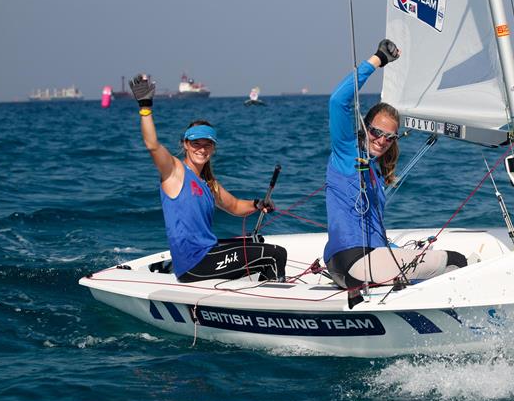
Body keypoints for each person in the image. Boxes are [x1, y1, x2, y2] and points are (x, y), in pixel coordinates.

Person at [324, 40, 467, 295]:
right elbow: (337, 101)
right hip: (354, 262)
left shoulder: (375, 172)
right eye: (376, 132)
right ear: (365, 127)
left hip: (349, 266)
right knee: (458, 261)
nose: (382, 140)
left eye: (390, 137)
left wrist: (399, 250)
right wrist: (378, 59)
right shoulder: (347, 152)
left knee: (422, 272)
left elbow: (372, 232)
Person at [129, 74, 287, 283]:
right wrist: (145, 107)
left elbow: (235, 206)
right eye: (196, 144)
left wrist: (258, 204)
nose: (201, 149)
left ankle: (260, 296)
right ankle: (270, 308)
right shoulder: (175, 172)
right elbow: (152, 144)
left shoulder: (208, 183)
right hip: (194, 264)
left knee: (257, 243)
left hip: (208, 254)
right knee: (275, 254)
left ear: (213, 148)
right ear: (185, 144)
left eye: (207, 144)